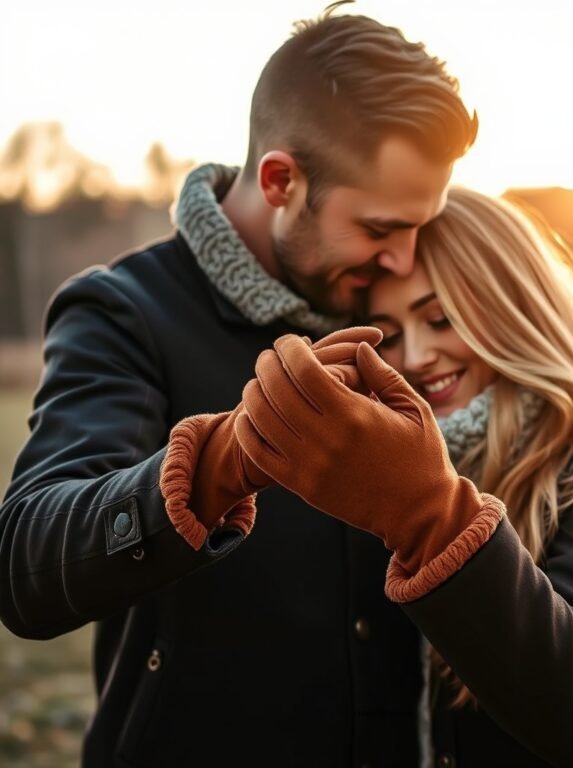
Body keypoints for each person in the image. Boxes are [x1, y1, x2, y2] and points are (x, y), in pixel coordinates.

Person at [0, 7, 478, 767]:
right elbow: (25, 563)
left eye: (421, 225)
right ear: (281, 180)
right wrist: (219, 465)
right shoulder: (125, 311)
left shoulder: (398, 308)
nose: (403, 259)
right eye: (380, 228)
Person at [240, 187, 573, 766]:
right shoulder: (367, 460)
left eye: (440, 319)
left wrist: (425, 506)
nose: (416, 356)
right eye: (389, 334)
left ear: (515, 307)